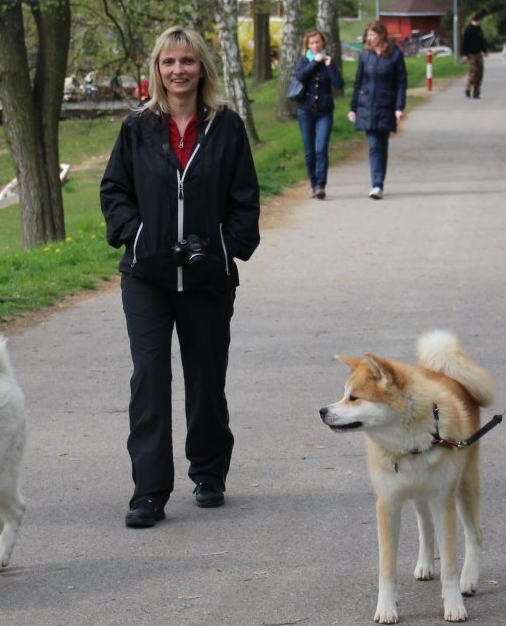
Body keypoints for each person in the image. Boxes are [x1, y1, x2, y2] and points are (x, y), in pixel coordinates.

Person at [100, 26, 261, 528]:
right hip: (146, 277)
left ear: (202, 69)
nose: (178, 71)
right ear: (157, 70)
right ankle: (149, 492)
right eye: (169, 63)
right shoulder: (137, 128)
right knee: (149, 379)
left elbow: (245, 202)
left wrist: (220, 247)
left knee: (206, 379)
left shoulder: (226, 128)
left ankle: (208, 472)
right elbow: (114, 193)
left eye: (187, 62)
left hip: (207, 278)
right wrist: (140, 235)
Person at [348, 20, 408, 200]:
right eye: (368, 35)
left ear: (382, 35)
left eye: (373, 34)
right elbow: (358, 82)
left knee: (382, 145)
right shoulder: (365, 55)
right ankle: (376, 184)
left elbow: (401, 83)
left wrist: (399, 107)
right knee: (374, 146)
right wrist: (353, 108)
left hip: (386, 105)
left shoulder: (395, 55)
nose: (369, 38)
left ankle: (379, 180)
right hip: (366, 106)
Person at [291, 29, 345, 199]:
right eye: (312, 43)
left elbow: (338, 84)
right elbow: (300, 77)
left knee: (321, 148)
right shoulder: (303, 61)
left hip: (324, 112)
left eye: (318, 42)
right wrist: (314, 62)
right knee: (309, 151)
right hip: (305, 111)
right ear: (308, 45)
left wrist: (329, 66)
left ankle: (321, 185)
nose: (315, 45)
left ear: (323, 44)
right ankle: (313, 184)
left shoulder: (329, 62)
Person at [459, 12, 488, 99]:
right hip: (471, 55)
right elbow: (465, 43)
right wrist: (464, 54)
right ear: (479, 20)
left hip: (479, 54)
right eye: (482, 20)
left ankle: (476, 92)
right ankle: (468, 88)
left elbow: (482, 40)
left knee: (480, 74)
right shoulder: (468, 29)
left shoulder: (479, 29)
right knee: (473, 74)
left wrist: (485, 50)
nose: (482, 22)